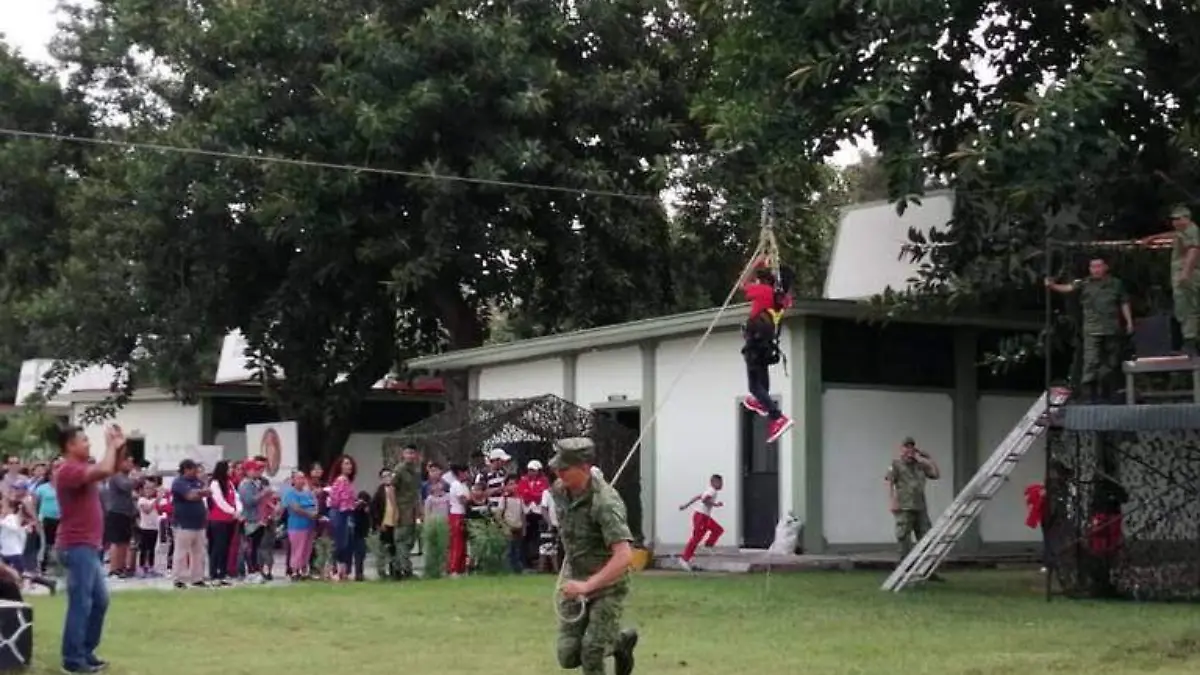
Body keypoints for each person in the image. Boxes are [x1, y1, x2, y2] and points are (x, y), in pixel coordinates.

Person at [549, 437, 639, 675]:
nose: (558, 473)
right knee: (568, 656)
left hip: (608, 586)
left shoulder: (605, 503)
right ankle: (620, 643)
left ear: (585, 468)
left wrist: (587, 586)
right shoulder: (560, 491)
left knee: (592, 652)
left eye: (564, 468)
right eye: (557, 467)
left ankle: (608, 644)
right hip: (575, 581)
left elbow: (624, 556)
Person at [54, 423, 125, 674]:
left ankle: (84, 652)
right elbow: (106, 467)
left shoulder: (82, 468)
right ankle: (72, 660)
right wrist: (110, 446)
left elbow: (114, 468)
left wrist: (119, 445)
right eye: (84, 440)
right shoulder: (67, 470)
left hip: (88, 545)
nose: (88, 443)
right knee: (81, 602)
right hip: (76, 545)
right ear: (70, 446)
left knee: (99, 601)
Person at [1046, 257, 1133, 401]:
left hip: (1111, 328)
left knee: (1111, 362)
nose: (1096, 270)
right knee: (1091, 361)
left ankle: (1107, 390)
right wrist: (1052, 285)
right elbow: (1068, 288)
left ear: (1105, 267)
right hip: (1092, 329)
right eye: (1093, 267)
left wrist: (1129, 322)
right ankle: (1089, 392)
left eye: (1099, 266)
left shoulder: (1116, 284)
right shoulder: (1084, 283)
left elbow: (1124, 302)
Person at [739, 257, 795, 444]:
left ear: (763, 280)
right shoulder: (783, 300)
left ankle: (777, 416)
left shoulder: (763, 291)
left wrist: (755, 263)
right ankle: (762, 402)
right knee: (760, 387)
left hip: (755, 345)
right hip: (767, 346)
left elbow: (742, 284)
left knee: (754, 386)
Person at [1142, 205, 1200, 356]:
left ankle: (1190, 343)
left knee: (1187, 308)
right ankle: (1190, 342)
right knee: (1184, 308)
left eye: (1178, 219)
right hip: (1182, 275)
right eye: (1173, 219)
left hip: (1187, 276)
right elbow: (1175, 235)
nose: (1175, 222)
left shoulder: (1191, 230)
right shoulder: (1183, 232)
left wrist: (1186, 273)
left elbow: (1194, 250)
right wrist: (1154, 238)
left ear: (1187, 218)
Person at [884, 437, 942, 573]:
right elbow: (889, 482)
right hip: (904, 507)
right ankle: (903, 569)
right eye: (906, 447)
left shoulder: (920, 465)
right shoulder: (896, 464)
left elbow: (936, 475)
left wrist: (929, 459)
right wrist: (892, 501)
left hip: (920, 507)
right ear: (901, 449)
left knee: (926, 537)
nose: (909, 450)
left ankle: (927, 570)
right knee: (904, 537)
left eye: (912, 447)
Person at [171, 459, 210, 589]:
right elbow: (190, 496)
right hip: (184, 522)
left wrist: (201, 490)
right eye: (194, 469)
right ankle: (179, 578)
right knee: (181, 552)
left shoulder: (197, 481)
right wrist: (201, 492)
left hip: (199, 522)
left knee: (199, 552)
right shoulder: (179, 483)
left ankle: (197, 578)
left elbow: (207, 492)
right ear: (186, 469)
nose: (196, 472)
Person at [677, 474, 725, 571]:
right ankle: (684, 559)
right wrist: (716, 504)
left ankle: (708, 545)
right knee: (696, 538)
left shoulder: (710, 490)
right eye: (720, 482)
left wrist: (685, 505)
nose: (722, 485)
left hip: (704, 516)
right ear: (713, 482)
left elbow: (698, 497)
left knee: (718, 530)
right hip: (700, 516)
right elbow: (704, 500)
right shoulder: (712, 491)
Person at [206, 460, 241, 586]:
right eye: (229, 468)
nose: (231, 470)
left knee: (226, 547)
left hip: (230, 520)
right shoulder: (215, 483)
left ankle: (223, 573)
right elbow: (219, 501)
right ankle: (214, 573)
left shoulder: (230, 483)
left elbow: (236, 498)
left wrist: (238, 510)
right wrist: (232, 511)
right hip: (217, 520)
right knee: (218, 547)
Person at [102, 456, 137, 578]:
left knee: (124, 542)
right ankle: (113, 569)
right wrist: (137, 478)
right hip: (116, 512)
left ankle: (121, 568)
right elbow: (126, 486)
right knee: (116, 541)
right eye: (128, 462)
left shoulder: (126, 477)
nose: (131, 464)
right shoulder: (116, 475)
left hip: (126, 513)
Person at [392, 446, 423, 579]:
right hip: (402, 509)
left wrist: (420, 509)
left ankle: (398, 568)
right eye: (408, 453)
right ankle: (405, 569)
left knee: (410, 540)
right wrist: (395, 509)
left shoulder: (416, 471)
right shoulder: (399, 470)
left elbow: (416, 492)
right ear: (403, 454)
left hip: (412, 509)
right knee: (401, 540)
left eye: (412, 453)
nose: (410, 456)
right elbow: (392, 489)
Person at [327, 455, 358, 582]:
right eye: (346, 463)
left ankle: (342, 572)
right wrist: (351, 507)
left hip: (345, 513)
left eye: (350, 464)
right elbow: (337, 500)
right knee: (339, 543)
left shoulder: (347, 480)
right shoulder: (341, 480)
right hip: (339, 513)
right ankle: (334, 571)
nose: (349, 466)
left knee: (344, 543)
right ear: (340, 466)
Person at [518, 460, 551, 567]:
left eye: (533, 470)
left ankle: (538, 561)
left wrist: (530, 493)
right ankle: (526, 561)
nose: (531, 473)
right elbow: (523, 493)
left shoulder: (544, 480)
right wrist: (533, 494)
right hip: (527, 512)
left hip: (538, 513)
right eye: (530, 470)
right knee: (526, 537)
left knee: (539, 537)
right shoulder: (523, 480)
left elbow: (541, 495)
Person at [33, 465, 60, 574]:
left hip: (60, 517)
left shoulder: (64, 487)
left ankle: (59, 565)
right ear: (49, 475)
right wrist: (36, 517)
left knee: (59, 543)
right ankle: (43, 566)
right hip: (46, 518)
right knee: (47, 543)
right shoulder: (42, 488)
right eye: (55, 473)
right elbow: (36, 504)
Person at [445, 464, 470, 576]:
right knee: (457, 543)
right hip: (456, 514)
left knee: (463, 543)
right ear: (460, 473)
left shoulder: (464, 485)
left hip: (463, 514)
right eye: (466, 472)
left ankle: (461, 567)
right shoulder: (456, 485)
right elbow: (463, 500)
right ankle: (453, 568)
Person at [134, 483, 159, 577]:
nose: (149, 490)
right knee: (143, 548)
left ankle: (151, 566)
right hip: (144, 527)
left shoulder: (154, 500)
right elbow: (147, 510)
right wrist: (155, 501)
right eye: (147, 488)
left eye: (151, 489)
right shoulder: (142, 500)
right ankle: (141, 567)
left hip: (154, 527)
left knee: (152, 548)